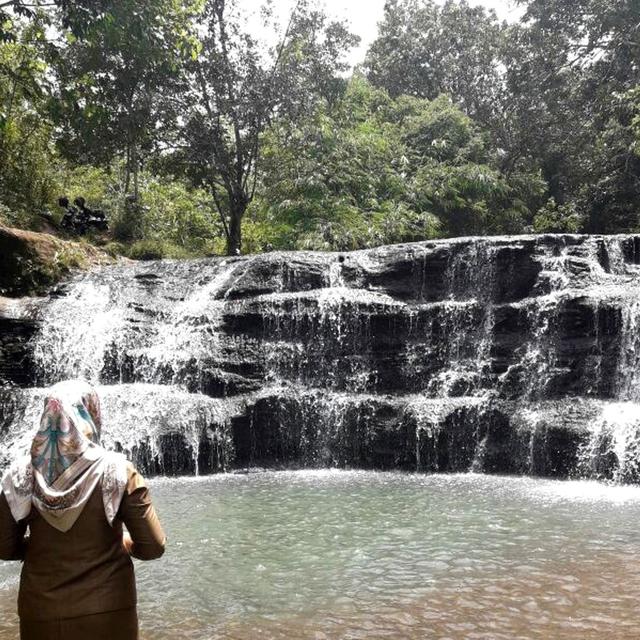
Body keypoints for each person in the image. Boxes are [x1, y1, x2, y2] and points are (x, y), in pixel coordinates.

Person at [0, 380, 166, 640]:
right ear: (90, 415)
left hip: (40, 612)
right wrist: (125, 543)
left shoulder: (20, 475)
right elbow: (153, 546)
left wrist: (39, 546)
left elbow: (4, 547)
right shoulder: (118, 471)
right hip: (109, 612)